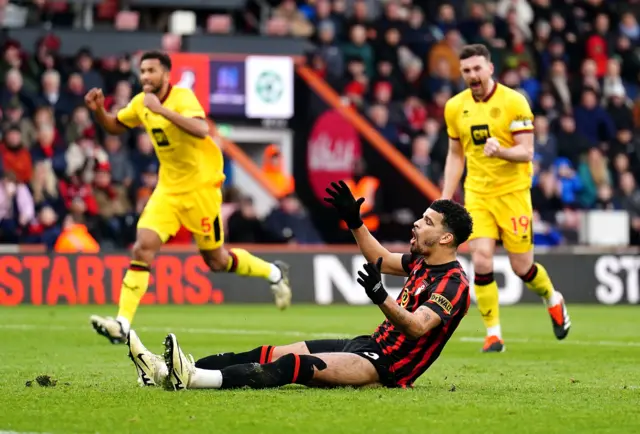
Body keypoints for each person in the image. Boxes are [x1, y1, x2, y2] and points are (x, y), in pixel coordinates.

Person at [125, 181, 474, 390]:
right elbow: (379, 256)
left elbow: (416, 329)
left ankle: (196, 380)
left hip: (386, 367)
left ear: (445, 237)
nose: (416, 223)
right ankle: (172, 368)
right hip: (368, 344)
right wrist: (354, 222)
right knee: (270, 352)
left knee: (297, 365)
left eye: (426, 221)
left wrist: (380, 296)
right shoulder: (421, 262)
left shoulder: (454, 283)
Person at [84, 51, 292, 344]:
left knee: (216, 260)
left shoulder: (182, 97)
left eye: (151, 71)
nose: (144, 77)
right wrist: (97, 111)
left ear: (166, 74)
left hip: (201, 190)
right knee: (142, 248)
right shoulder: (141, 102)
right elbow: (114, 125)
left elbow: (200, 129)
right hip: (168, 190)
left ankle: (273, 272)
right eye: (142, 71)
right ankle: (122, 324)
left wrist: (161, 111)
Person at [441, 44, 571, 353]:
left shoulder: (514, 102)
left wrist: (500, 151)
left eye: (477, 68)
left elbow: (527, 152)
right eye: (466, 71)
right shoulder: (454, 107)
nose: (472, 75)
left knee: (522, 267)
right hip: (478, 194)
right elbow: (455, 154)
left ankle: (553, 299)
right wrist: (445, 198)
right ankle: (493, 334)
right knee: (481, 258)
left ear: (489, 68)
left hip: (513, 194)